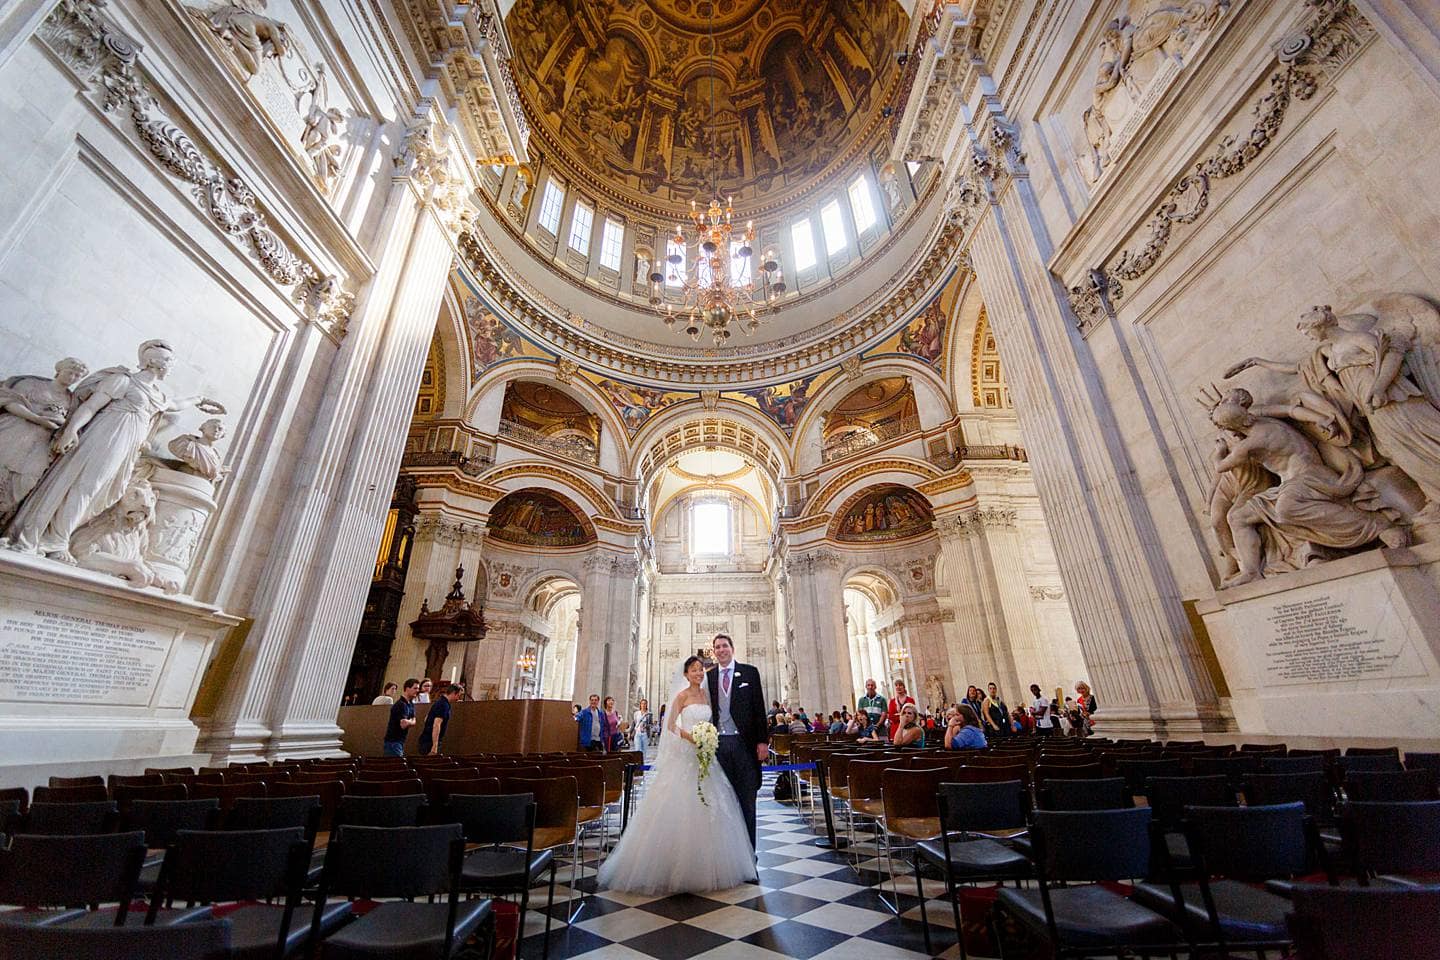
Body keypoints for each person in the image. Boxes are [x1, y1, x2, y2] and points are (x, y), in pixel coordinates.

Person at [598, 655, 756, 894]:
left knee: (712, 804)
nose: (698, 673)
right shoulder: (681, 696)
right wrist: (690, 737)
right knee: (681, 804)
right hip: (686, 752)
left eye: (700, 670)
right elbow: (669, 725)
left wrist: (708, 737)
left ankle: (710, 863)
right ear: (685, 674)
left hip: (706, 755)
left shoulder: (707, 695)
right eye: (694, 670)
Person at [708, 633, 768, 851]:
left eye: (724, 646)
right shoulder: (710, 677)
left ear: (732, 648)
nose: (721, 650)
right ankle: (728, 855)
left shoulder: (750, 673)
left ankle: (750, 855)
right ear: (714, 652)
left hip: (744, 745)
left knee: (747, 801)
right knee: (722, 801)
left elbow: (759, 708)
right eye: (717, 647)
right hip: (719, 746)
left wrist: (763, 741)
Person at [418, 683, 459, 756]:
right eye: (458, 695)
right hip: (430, 742)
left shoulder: (440, 702)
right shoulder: (443, 705)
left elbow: (426, 718)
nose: (458, 698)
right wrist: (435, 745)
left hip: (426, 739)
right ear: (453, 693)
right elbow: (436, 724)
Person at [381, 678, 419, 756]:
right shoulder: (401, 704)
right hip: (393, 742)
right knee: (397, 766)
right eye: (415, 688)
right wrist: (411, 721)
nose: (417, 690)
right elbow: (403, 724)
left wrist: (410, 721)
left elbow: (414, 720)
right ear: (407, 688)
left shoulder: (410, 704)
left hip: (400, 741)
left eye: (418, 688)